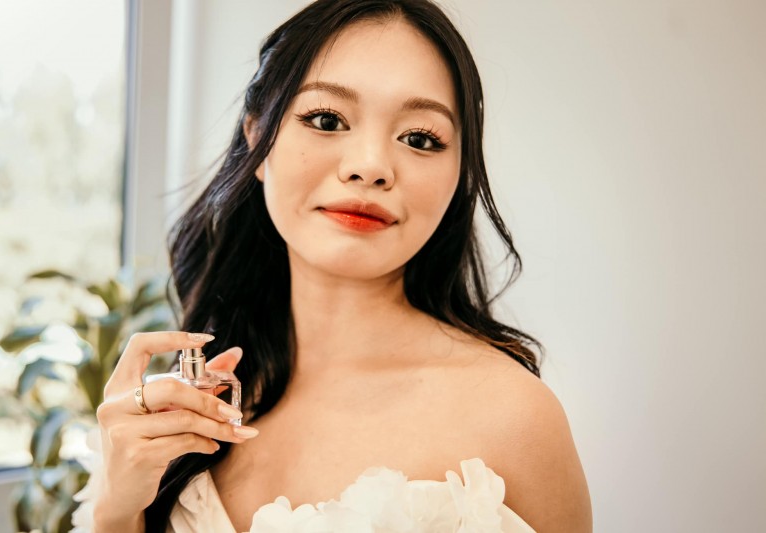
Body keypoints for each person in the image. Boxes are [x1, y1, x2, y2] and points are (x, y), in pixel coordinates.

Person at [80, 0, 592, 531]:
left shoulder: (514, 419)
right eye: (327, 120)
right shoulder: (192, 398)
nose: (370, 167)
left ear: (459, 172)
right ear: (257, 136)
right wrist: (117, 506)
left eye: (419, 139)